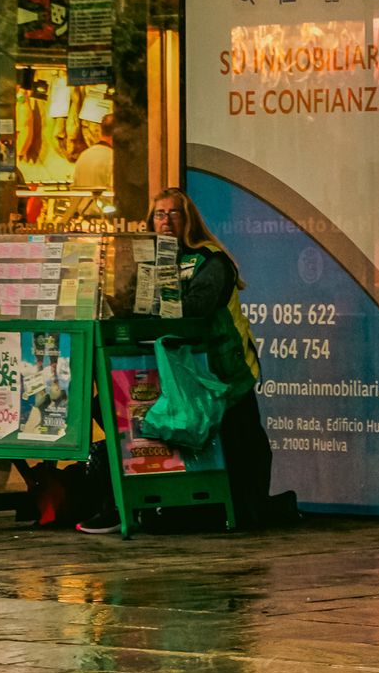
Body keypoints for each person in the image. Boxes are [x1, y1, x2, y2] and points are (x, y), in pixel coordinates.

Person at [77, 187, 294, 533]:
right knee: (108, 410)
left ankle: (244, 511)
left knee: (241, 444)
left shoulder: (211, 260)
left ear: (188, 219)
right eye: (159, 214)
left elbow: (196, 309)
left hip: (222, 370)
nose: (166, 221)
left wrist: (156, 309)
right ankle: (142, 503)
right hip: (170, 367)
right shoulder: (150, 261)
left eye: (173, 214)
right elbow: (132, 304)